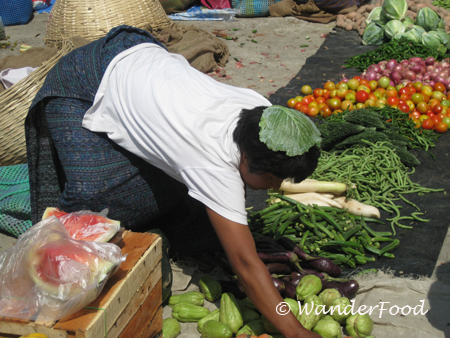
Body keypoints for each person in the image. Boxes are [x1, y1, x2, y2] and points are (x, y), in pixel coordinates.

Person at [25, 25, 322, 338]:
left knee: (197, 216)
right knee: (92, 204)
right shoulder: (212, 163)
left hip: (142, 55)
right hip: (84, 79)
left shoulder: (263, 114)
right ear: (246, 159)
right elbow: (246, 266)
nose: (275, 188)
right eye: (273, 179)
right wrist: (295, 331)